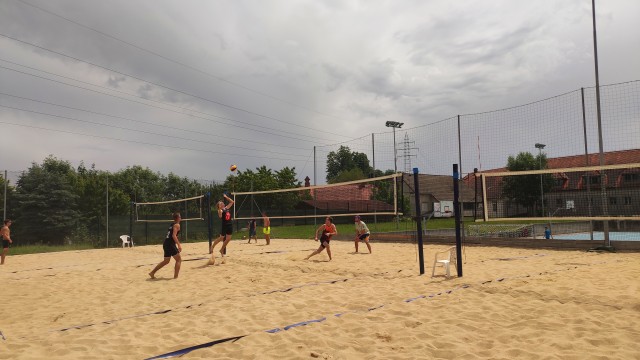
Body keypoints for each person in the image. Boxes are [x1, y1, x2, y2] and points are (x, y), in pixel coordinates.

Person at [149, 212, 182, 279]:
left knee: (166, 261)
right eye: (180, 217)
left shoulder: (172, 224)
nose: (181, 218)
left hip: (166, 243)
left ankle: (152, 272)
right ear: (178, 218)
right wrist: (179, 245)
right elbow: (173, 235)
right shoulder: (177, 225)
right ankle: (175, 277)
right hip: (170, 244)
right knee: (178, 260)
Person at [209, 193, 235, 264]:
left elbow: (232, 202)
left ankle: (221, 250)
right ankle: (213, 246)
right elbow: (220, 215)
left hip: (230, 225)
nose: (222, 203)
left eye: (222, 203)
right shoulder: (220, 210)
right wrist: (220, 210)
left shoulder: (226, 208)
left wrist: (226, 197)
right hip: (225, 225)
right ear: (219, 206)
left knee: (229, 238)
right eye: (221, 203)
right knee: (221, 238)